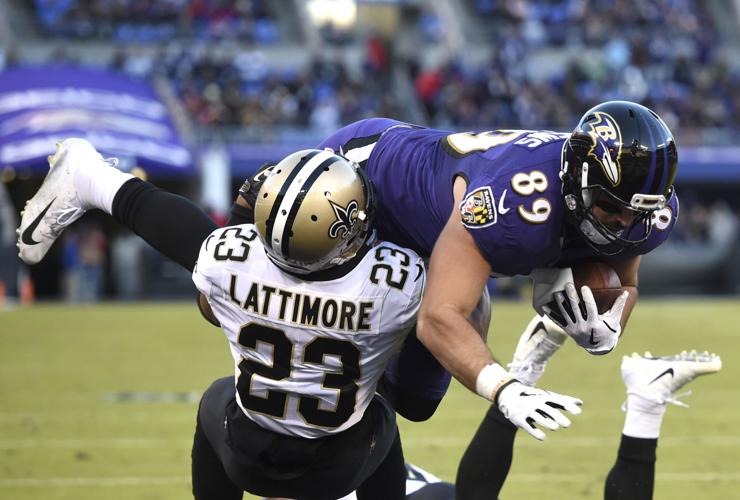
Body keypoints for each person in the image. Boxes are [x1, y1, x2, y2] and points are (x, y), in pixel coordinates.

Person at [17, 143, 581, 497]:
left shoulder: (226, 260)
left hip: (245, 453)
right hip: (340, 464)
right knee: (389, 413)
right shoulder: (398, 280)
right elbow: (457, 310)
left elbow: (207, 301)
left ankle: (90, 179)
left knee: (218, 396)